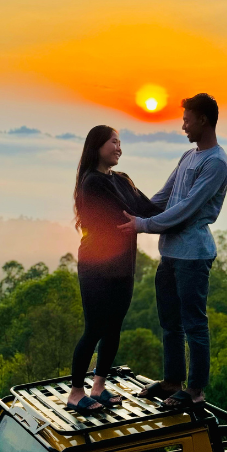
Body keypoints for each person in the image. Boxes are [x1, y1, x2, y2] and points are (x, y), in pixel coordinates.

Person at [118, 93, 227, 409]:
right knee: (169, 322)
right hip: (170, 253)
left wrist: (142, 225)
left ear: (203, 120)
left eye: (186, 119)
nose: (183, 126)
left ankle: (194, 392)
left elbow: (186, 209)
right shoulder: (187, 156)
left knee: (194, 324)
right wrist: (126, 201)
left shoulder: (216, 163)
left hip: (194, 256)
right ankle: (172, 381)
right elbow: (163, 198)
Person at [67, 125, 162, 415]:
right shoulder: (92, 183)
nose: (119, 147)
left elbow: (147, 209)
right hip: (96, 268)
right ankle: (75, 392)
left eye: (120, 143)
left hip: (123, 267)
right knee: (94, 328)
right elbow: (127, 213)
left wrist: (181, 207)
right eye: (113, 142)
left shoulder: (122, 179)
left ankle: (99, 386)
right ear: (97, 146)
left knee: (114, 327)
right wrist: (141, 214)